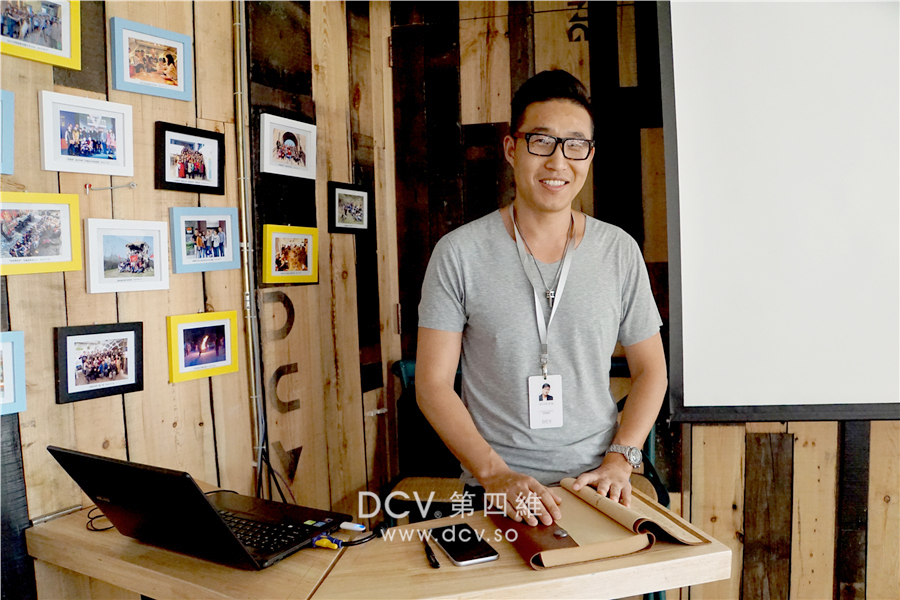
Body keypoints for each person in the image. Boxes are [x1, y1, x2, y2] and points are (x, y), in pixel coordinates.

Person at [415, 70, 668, 528]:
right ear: (511, 149)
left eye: (575, 145)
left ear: (590, 155)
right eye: (541, 141)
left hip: (597, 482)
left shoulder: (618, 251)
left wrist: (620, 459)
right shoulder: (459, 254)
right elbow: (432, 384)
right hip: (496, 487)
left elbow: (651, 370)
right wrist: (495, 475)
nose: (558, 161)